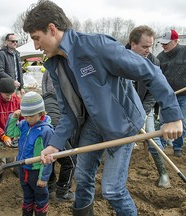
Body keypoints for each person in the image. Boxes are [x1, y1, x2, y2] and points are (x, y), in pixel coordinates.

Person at [22, 1, 183, 215]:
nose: (36, 46)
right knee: (82, 177)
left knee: (113, 190)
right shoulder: (55, 65)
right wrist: (54, 145)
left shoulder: (96, 46)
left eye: (36, 38)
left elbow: (150, 71)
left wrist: (172, 115)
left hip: (122, 122)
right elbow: (68, 112)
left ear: (52, 29)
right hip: (93, 123)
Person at [127, 25, 171, 188]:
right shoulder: (119, 56)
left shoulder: (153, 61)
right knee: (114, 140)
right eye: (145, 46)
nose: (149, 50)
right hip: (121, 109)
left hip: (144, 107)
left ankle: (163, 174)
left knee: (152, 137)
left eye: (151, 46)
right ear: (133, 44)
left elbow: (154, 91)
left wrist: (143, 113)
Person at [5, 91, 54, 216]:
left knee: (41, 197)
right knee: (27, 196)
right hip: (23, 168)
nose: (28, 119)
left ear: (41, 113)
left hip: (37, 170)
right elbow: (10, 133)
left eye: (31, 116)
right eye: (25, 116)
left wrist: (43, 178)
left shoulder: (45, 131)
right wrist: (14, 117)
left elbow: (49, 158)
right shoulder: (24, 125)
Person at [42, 69, 76, 202]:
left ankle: (50, 187)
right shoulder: (62, 102)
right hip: (54, 132)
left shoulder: (44, 99)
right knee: (71, 161)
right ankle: (62, 191)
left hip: (43, 134)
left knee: (47, 159)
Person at [157, 29, 186, 157]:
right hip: (167, 96)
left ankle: (178, 146)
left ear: (175, 41)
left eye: (166, 43)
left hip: (183, 95)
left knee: (182, 122)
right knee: (165, 122)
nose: (163, 46)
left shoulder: (184, 51)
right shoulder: (160, 58)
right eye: (162, 43)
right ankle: (161, 146)